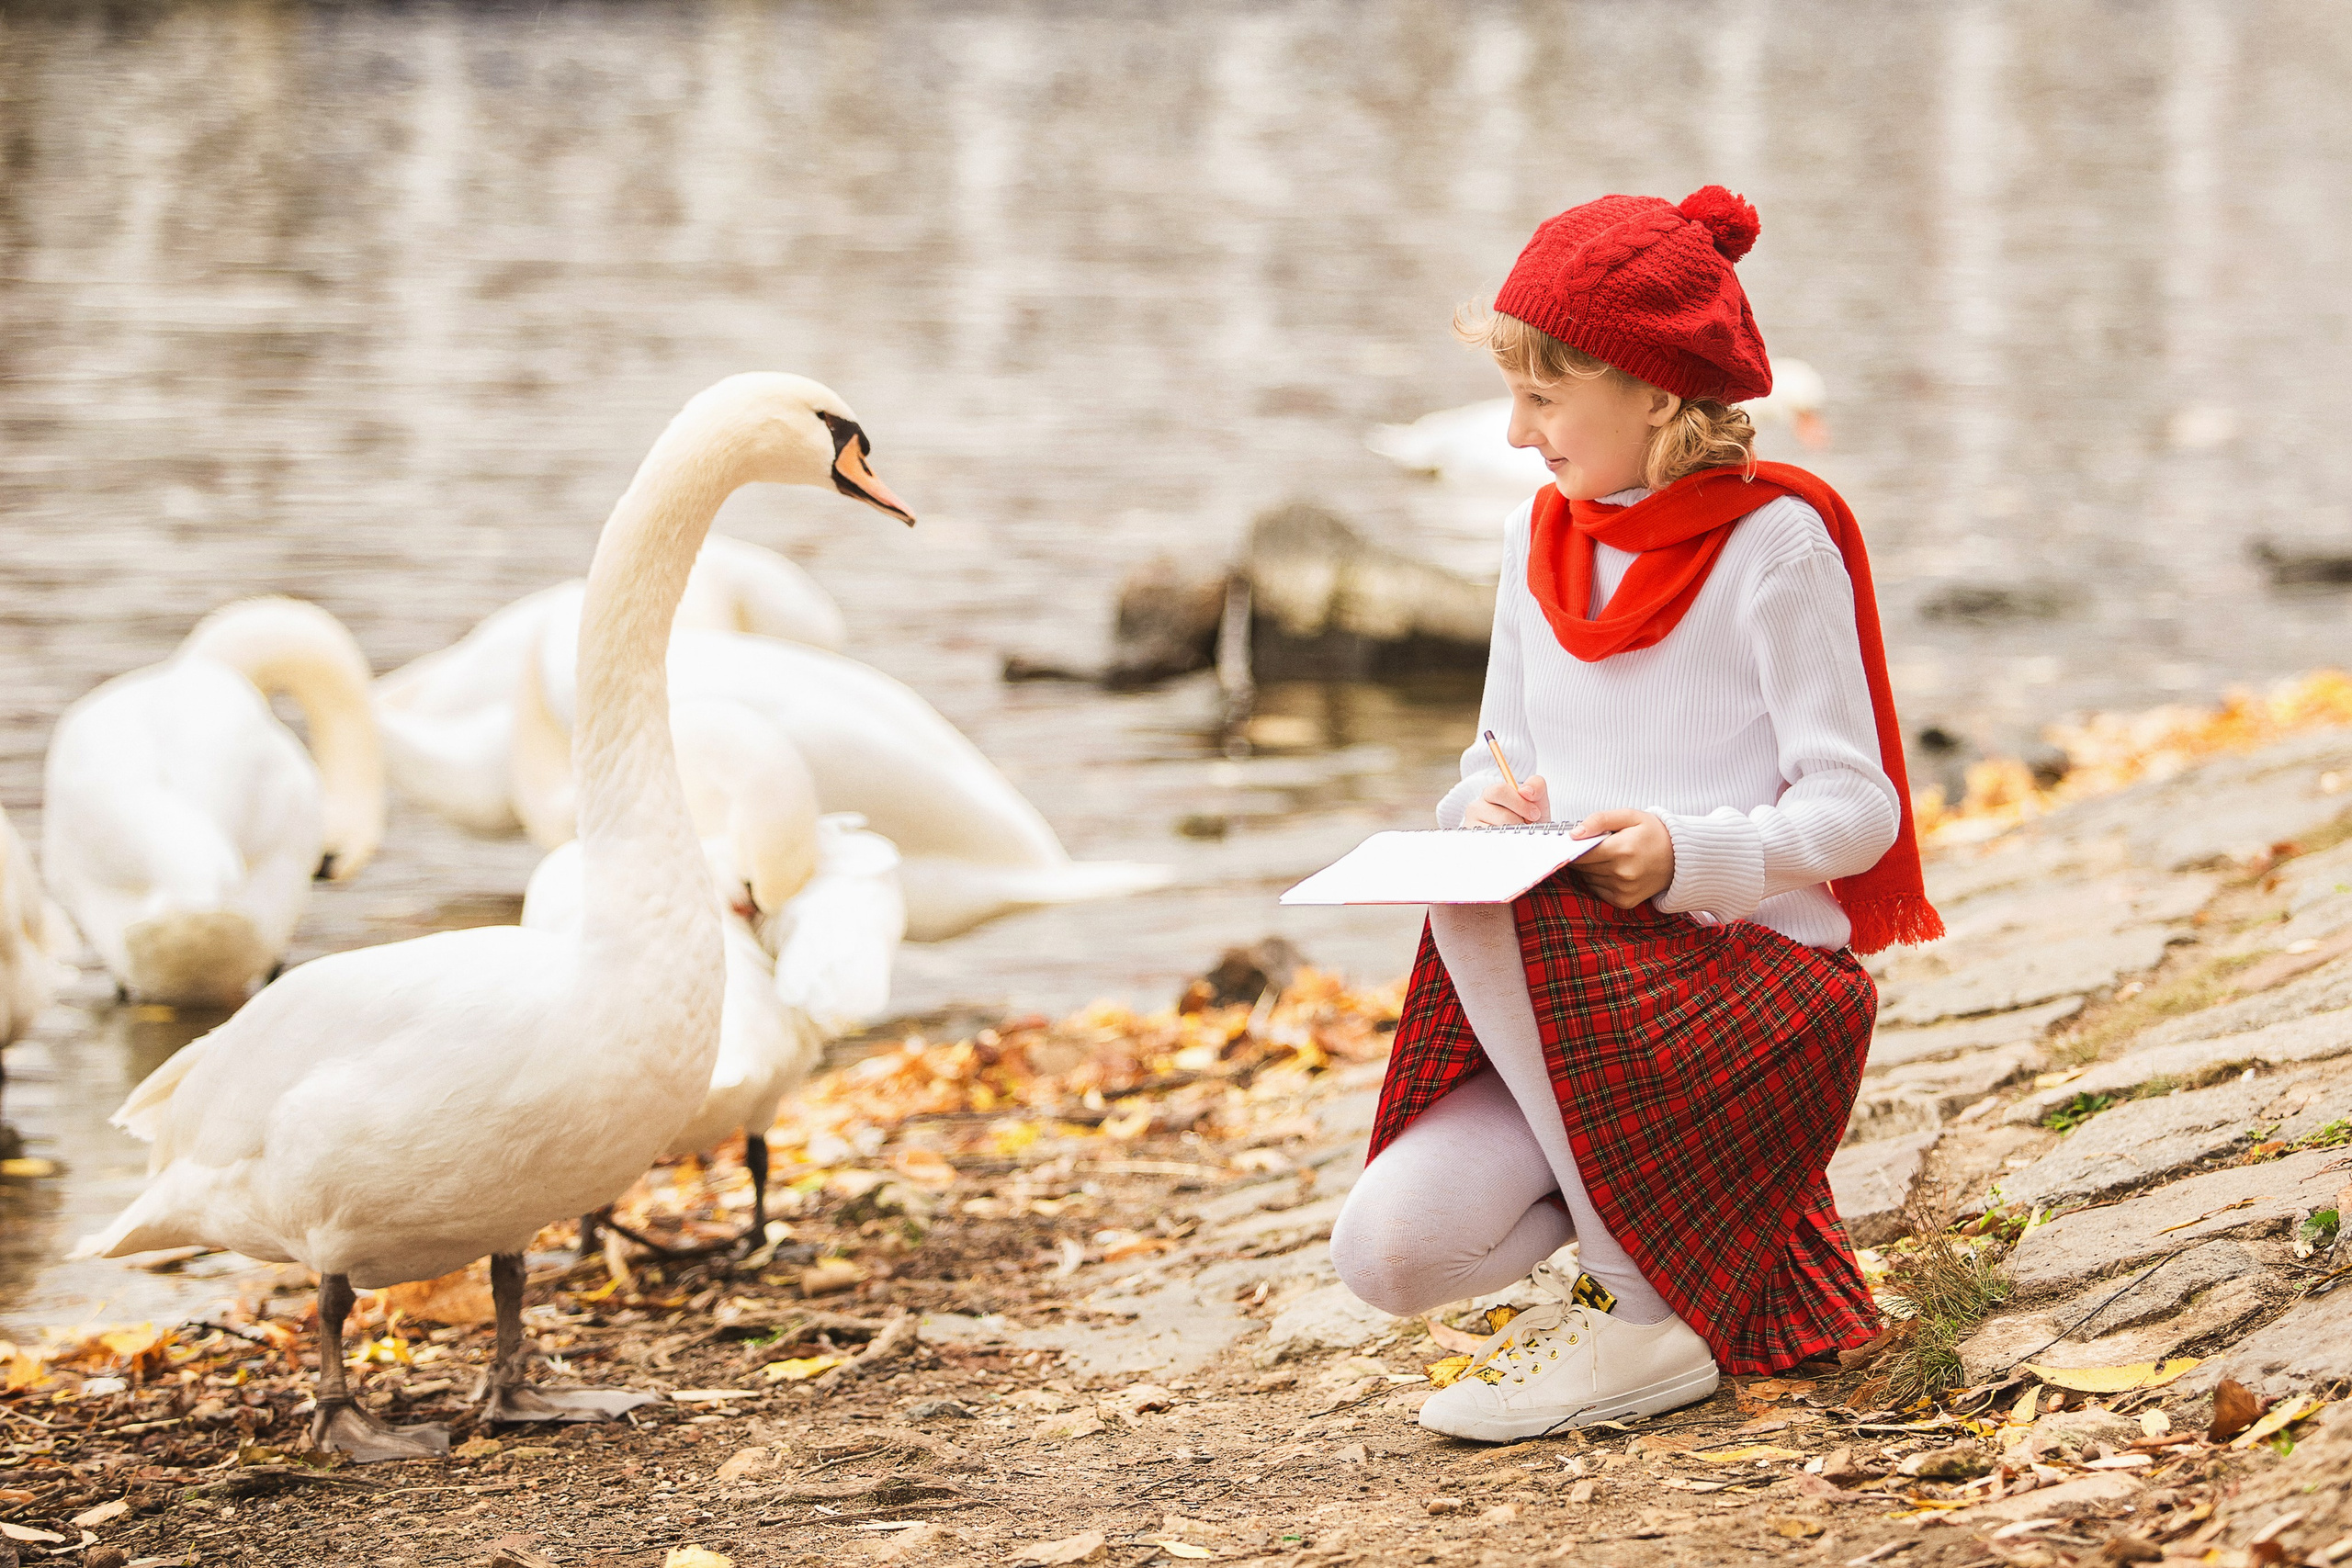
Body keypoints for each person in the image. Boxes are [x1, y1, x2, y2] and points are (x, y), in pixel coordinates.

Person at [1328, 186, 1943, 1443]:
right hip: (1577, 998)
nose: (1515, 434)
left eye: (1544, 400)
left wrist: (1690, 855)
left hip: (1745, 980)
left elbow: (1858, 810)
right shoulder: (1532, 539)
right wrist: (1479, 800)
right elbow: (1493, 753)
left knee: (1477, 893)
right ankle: (1679, 1205)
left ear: (1657, 393)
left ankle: (1643, 1310)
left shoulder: (1775, 545)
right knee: (1386, 1255)